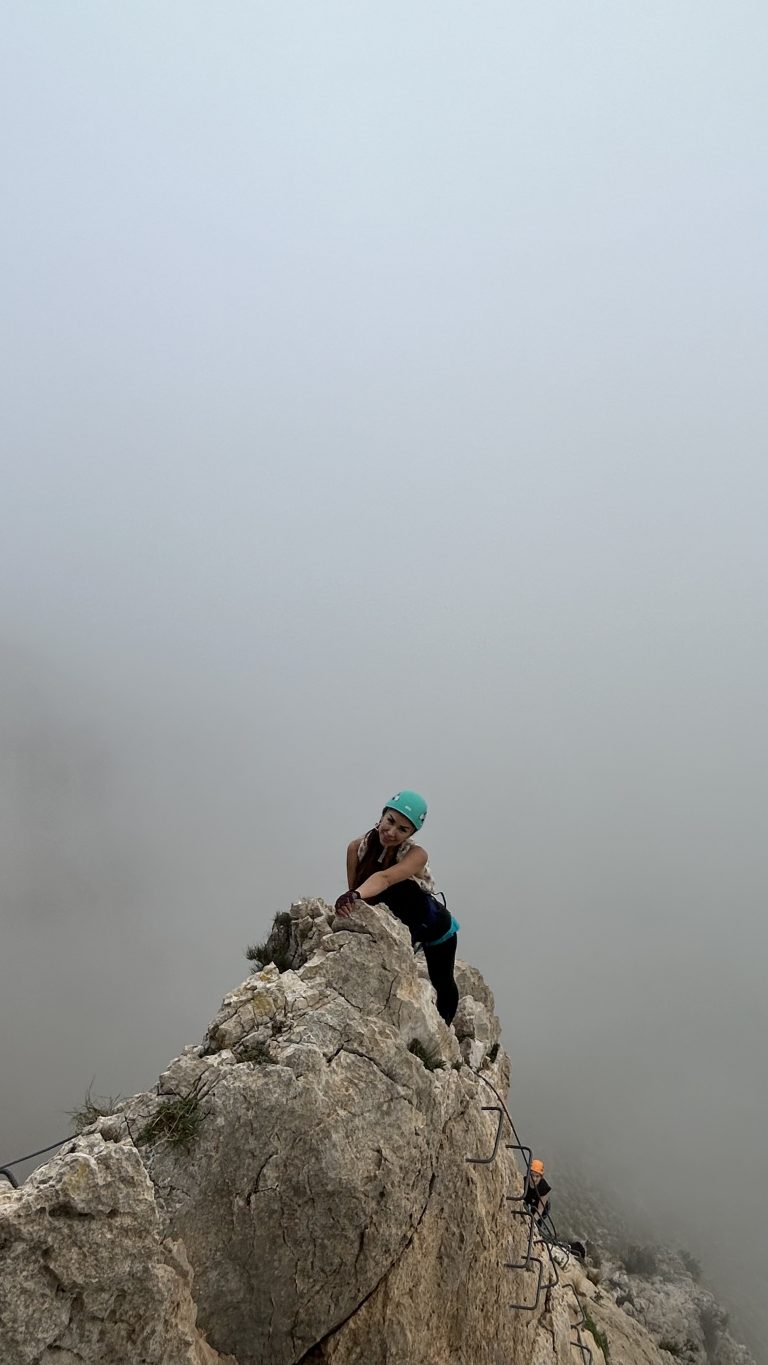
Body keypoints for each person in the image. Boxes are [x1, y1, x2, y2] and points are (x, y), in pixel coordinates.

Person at [335, 790, 460, 1025]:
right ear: (382, 815)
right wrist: (352, 898)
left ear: (411, 833)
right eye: (390, 821)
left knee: (442, 981)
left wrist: (353, 894)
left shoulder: (416, 855)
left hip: (436, 928)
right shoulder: (356, 849)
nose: (391, 832)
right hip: (397, 926)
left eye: (403, 829)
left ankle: (446, 1031)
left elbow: (384, 879)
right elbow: (360, 895)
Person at [523, 1158, 552, 1227]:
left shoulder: (544, 1188)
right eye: (532, 1175)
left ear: (541, 1177)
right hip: (529, 1202)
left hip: (540, 1207)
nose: (534, 1179)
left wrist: (532, 1222)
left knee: (537, 1224)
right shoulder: (524, 1181)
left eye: (537, 1176)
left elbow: (540, 1209)